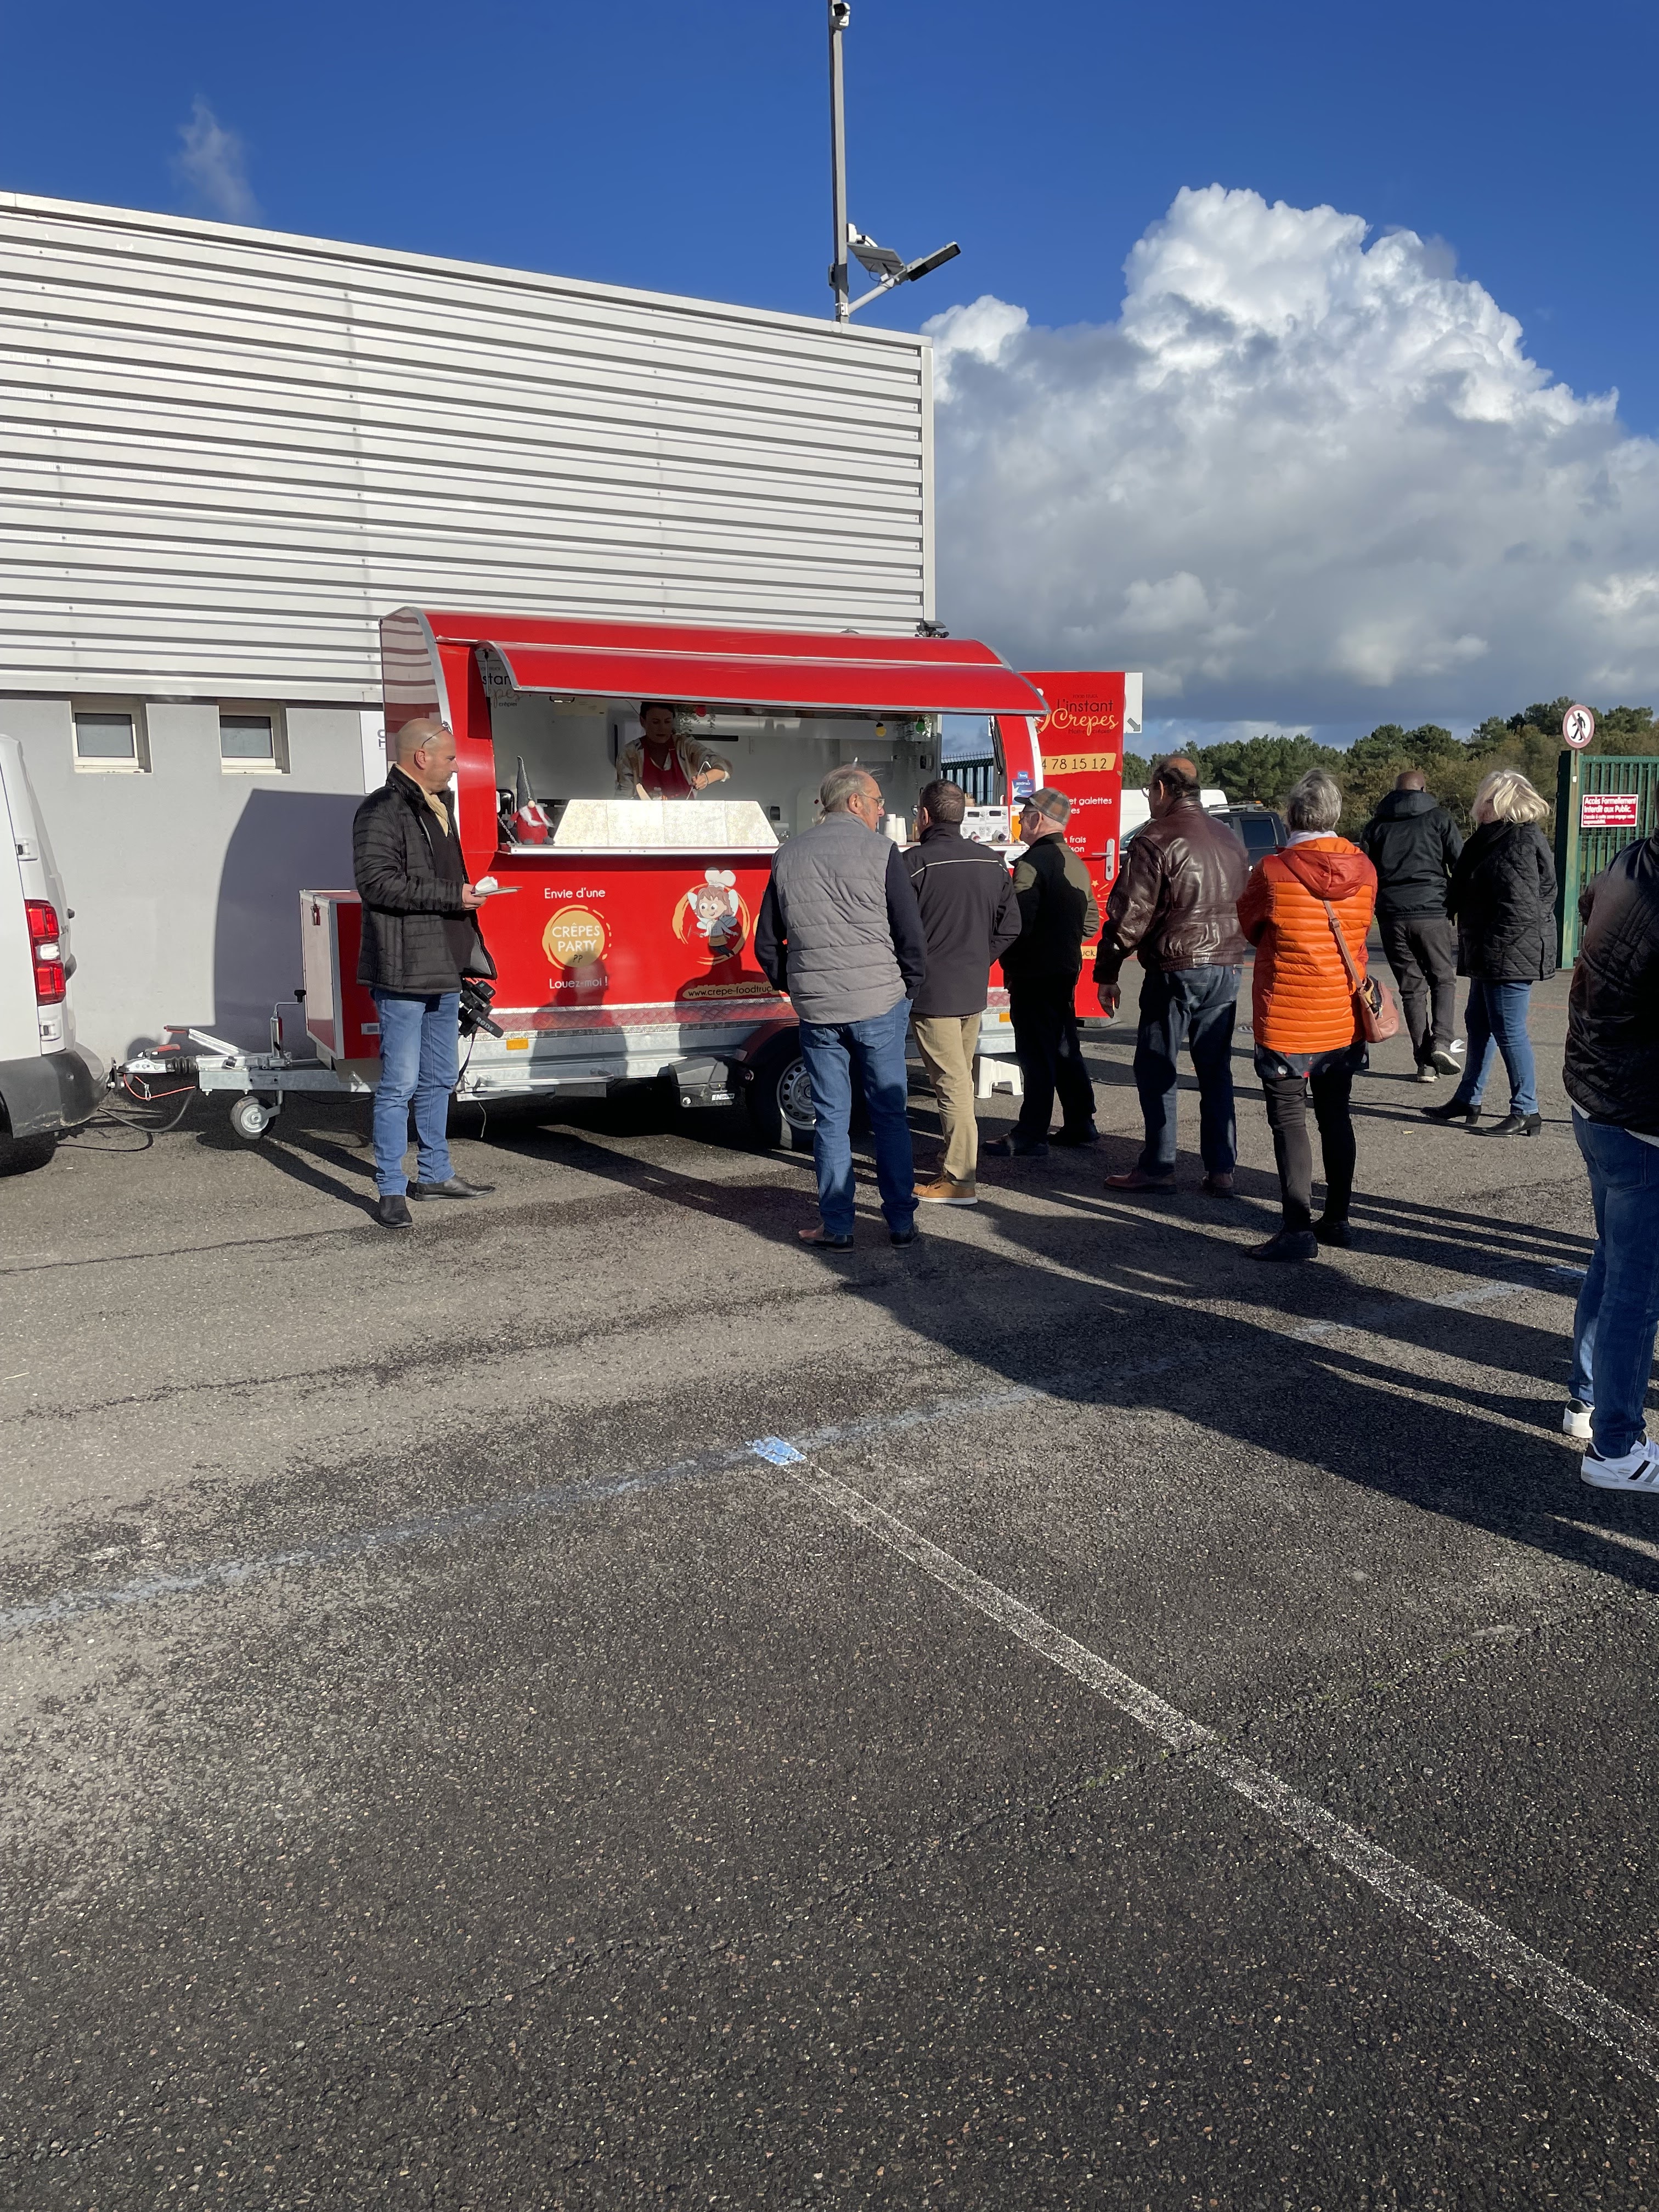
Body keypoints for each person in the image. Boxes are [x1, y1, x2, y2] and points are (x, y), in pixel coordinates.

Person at [754, 766, 926, 1249]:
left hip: (819, 1010)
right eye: (877, 801)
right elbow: (910, 932)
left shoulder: (787, 855)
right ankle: (900, 1222)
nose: (882, 809)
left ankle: (838, 1226)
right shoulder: (883, 852)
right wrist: (909, 987)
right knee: (889, 1115)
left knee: (831, 1119)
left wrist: (796, 985)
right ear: (854, 802)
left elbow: (766, 943)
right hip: (879, 1001)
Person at [352, 717, 495, 1229]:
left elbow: (441, 880)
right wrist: (454, 895)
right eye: (450, 758)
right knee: (399, 1084)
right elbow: (377, 883)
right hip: (404, 969)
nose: (456, 767)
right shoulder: (381, 809)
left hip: (444, 965)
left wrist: (467, 900)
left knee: (438, 1080)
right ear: (422, 757)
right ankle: (391, 1189)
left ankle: (435, 1174)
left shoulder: (438, 807)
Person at [1092, 754, 1250, 1195]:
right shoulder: (1229, 838)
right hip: (1227, 963)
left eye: (1149, 791)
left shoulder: (1156, 838)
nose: (1149, 799)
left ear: (1162, 789)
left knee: (1157, 1066)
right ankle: (1221, 1168)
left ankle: (1159, 1166)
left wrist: (1107, 971)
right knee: (1215, 1070)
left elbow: (1130, 915)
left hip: (1177, 966)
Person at [1237, 768, 1378, 1262]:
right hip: (1342, 1013)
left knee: (1290, 1121)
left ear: (1291, 815)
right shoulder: (1365, 869)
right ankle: (1337, 1217)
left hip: (1287, 1016)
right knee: (1336, 1115)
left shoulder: (1272, 871)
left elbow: (1250, 925)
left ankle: (1297, 1229)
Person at [1561, 826, 1659, 1488]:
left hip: (1596, 1094)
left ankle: (1589, 1402)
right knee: (1636, 1288)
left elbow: (1587, 907)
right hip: (1641, 1114)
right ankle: (1616, 1448)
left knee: (1615, 1260)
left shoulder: (1633, 858)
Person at [903, 778, 1021, 1206]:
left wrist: (913, 971)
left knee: (951, 1085)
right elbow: (1011, 926)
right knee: (960, 1083)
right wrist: (980, 957)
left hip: (933, 994)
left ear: (925, 816)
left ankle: (960, 1179)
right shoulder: (992, 861)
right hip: (972, 990)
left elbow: (896, 928)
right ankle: (956, 1164)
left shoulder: (913, 863)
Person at [1420, 769, 1557, 1137]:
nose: (1479, 804)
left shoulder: (1517, 843)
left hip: (1508, 951)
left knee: (1509, 1030)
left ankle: (1526, 1109)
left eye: (1486, 798)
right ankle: (1469, 1098)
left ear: (1501, 802)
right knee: (1479, 1023)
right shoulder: (1493, 839)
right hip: (1492, 949)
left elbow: (1520, 909)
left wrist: (1495, 951)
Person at [984, 788, 1101, 1160]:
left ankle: (1032, 1133)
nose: (1020, 821)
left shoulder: (1032, 863)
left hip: (1034, 973)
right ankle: (1081, 1121)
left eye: (1024, 815)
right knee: (1064, 1046)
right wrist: (1062, 938)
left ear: (1038, 819)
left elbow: (1019, 923)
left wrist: (1009, 958)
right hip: (1064, 969)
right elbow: (1091, 923)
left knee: (1036, 1053)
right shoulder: (1074, 861)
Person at [1359, 770, 1464, 1082]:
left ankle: (1424, 1063)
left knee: (1411, 987)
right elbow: (1460, 864)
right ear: (1424, 789)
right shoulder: (1439, 819)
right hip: (1432, 911)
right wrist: (1453, 904)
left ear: (1395, 792)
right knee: (1442, 978)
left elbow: (1364, 872)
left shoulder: (1376, 826)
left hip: (1391, 915)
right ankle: (1442, 1042)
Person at [617, 702, 731, 800]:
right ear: (643, 722)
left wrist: (706, 778)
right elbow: (624, 797)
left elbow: (724, 767)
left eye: (667, 722)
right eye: (656, 722)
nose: (662, 728)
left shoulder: (685, 746)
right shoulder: (631, 753)